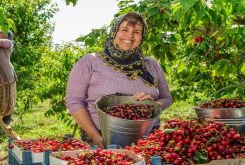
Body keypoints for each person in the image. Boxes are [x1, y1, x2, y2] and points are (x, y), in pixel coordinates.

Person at [65, 12, 173, 148]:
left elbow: (167, 98)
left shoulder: (151, 64)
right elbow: (74, 101)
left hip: (148, 140)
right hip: (104, 138)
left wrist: (154, 104)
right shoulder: (90, 62)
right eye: (124, 30)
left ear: (142, 36)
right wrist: (94, 136)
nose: (130, 36)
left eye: (137, 32)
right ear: (114, 32)